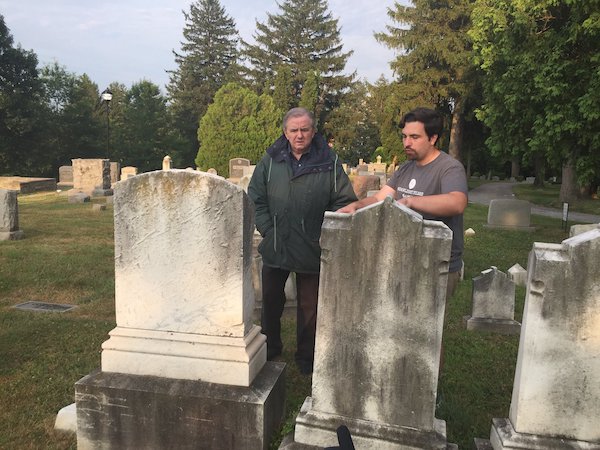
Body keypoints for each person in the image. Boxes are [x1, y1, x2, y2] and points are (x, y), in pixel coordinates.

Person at [248, 107, 357, 375]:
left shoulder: (328, 162)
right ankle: (270, 349)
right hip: (277, 243)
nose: (299, 135)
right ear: (285, 132)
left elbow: (344, 201)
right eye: (294, 130)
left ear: (313, 131)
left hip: (313, 245)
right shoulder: (271, 160)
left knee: (310, 307)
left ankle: (307, 357)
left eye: (304, 129)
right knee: (271, 301)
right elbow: (256, 197)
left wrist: (325, 233)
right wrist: (268, 229)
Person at [338, 107, 468, 299]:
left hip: (437, 264)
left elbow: (457, 202)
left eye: (414, 137)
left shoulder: (449, 168)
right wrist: (356, 206)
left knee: (423, 328)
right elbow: (378, 199)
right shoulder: (406, 168)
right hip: (404, 257)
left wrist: (410, 201)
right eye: (404, 136)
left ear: (433, 138)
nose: (407, 143)